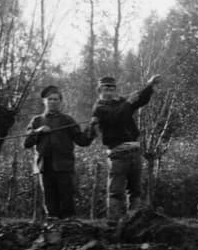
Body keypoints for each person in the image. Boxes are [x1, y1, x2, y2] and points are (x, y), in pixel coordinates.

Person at [89, 72, 161, 219]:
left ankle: (134, 224)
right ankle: (114, 224)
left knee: (136, 191)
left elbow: (139, 101)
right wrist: (128, 102)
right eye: (106, 89)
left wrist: (149, 86)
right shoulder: (99, 108)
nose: (109, 91)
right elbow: (116, 117)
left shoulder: (121, 102)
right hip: (117, 154)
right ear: (99, 91)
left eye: (112, 88)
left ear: (115, 89)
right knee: (116, 192)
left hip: (135, 152)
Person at [23, 85, 94, 220]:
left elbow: (82, 141)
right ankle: (52, 227)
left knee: (66, 199)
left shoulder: (67, 120)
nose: (53, 102)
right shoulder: (37, 121)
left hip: (64, 166)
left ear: (60, 102)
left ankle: (69, 228)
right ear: (44, 101)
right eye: (49, 99)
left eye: (56, 99)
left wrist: (92, 128)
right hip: (44, 167)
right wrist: (38, 131)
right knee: (49, 201)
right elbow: (26, 143)